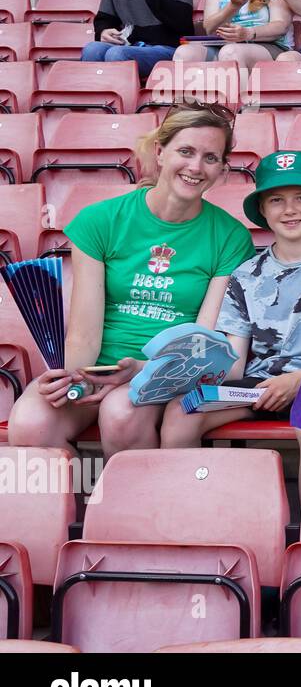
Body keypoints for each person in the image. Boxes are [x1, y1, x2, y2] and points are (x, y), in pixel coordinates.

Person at [5, 106, 253, 457]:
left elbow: (202, 343)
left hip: (165, 372)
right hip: (98, 367)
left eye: (210, 157)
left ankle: (134, 509)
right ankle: (86, 503)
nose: (196, 167)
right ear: (160, 152)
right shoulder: (100, 220)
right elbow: (84, 330)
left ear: (221, 168)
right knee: (30, 423)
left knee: (121, 413)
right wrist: (75, 377)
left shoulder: (230, 237)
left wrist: (144, 371)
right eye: (185, 151)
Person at [159, 151, 301, 499]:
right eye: (276, 200)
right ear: (263, 211)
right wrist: (192, 372)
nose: (290, 209)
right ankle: (187, 519)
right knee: (181, 412)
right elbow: (235, 362)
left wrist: (300, 381)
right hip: (261, 386)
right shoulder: (246, 274)